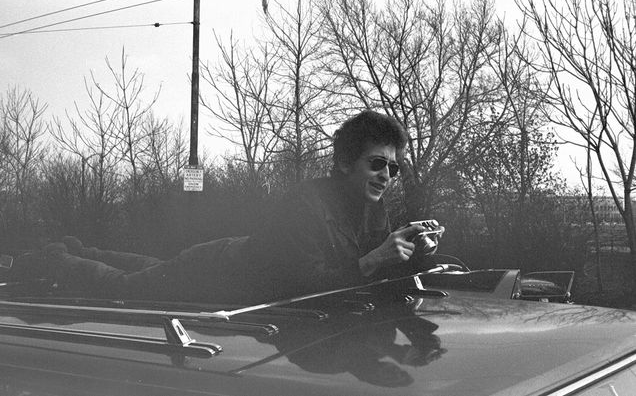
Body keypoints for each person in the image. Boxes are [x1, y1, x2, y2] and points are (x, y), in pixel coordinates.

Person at [13, 109, 435, 304]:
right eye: (377, 164)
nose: (386, 176)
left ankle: (82, 250)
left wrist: (414, 256)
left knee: (149, 265)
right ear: (345, 163)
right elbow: (302, 285)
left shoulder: (373, 209)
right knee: (129, 287)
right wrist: (377, 257)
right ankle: (57, 260)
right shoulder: (305, 202)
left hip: (231, 264)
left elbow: (371, 274)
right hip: (218, 274)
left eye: (394, 169)